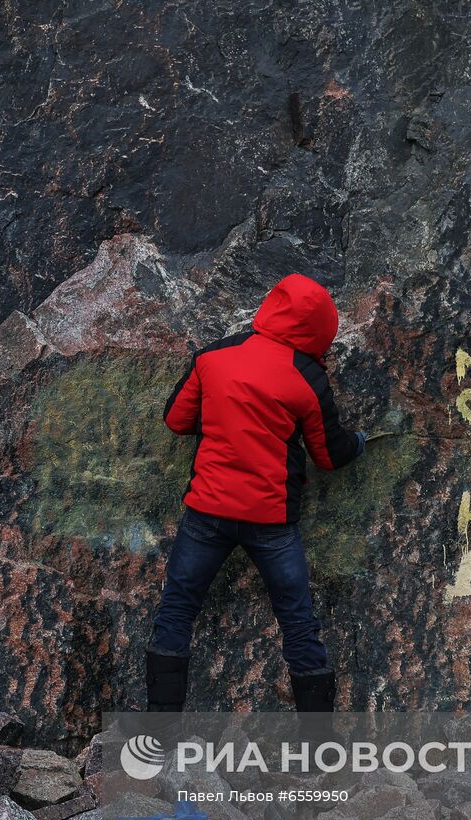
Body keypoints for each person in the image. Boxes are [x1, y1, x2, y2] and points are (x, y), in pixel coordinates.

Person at [146, 273, 365, 714]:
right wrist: (361, 441)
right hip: (272, 521)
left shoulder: (214, 356)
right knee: (299, 624)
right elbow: (329, 454)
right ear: (321, 329)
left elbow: (176, 419)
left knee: (176, 612)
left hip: (207, 511)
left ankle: (160, 735)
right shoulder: (307, 376)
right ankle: (314, 750)